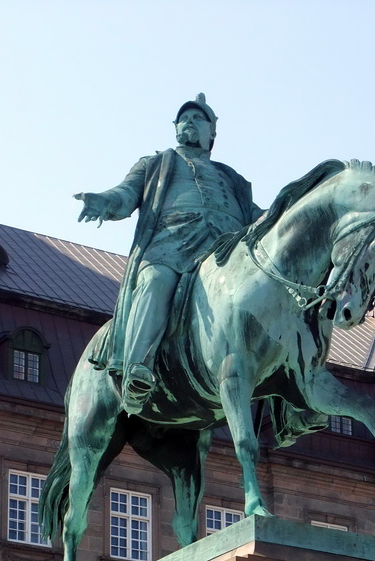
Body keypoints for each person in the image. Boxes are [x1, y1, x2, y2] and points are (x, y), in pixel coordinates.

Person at [75, 94, 263, 414]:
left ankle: (289, 398)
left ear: (212, 133)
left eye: (197, 118)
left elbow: (259, 217)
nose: (189, 122)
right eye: (183, 118)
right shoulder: (156, 164)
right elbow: (125, 194)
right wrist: (103, 201)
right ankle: (137, 370)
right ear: (175, 128)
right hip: (171, 244)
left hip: (225, 253)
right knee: (156, 280)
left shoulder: (231, 178)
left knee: (270, 295)